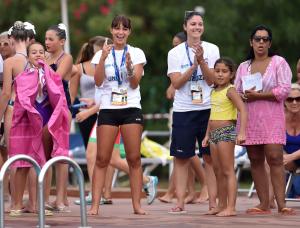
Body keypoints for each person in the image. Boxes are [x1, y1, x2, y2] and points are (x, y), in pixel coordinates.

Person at [88, 15, 148, 215]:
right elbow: (97, 82)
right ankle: (95, 205)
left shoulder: (136, 52)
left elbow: (134, 83)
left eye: (124, 28)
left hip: (131, 108)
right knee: (102, 158)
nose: (120, 32)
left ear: (129, 31)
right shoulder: (100, 55)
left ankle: (137, 206)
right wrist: (104, 57)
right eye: (116, 28)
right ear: (111, 30)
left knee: (133, 159)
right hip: (108, 109)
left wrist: (130, 68)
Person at [234, 24, 295, 215]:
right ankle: (263, 204)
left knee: (275, 158)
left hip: (272, 118)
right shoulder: (244, 67)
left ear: (270, 43)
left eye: (265, 39)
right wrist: (244, 96)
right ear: (251, 42)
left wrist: (259, 96)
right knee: (255, 159)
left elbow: (284, 90)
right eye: (257, 39)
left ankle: (282, 204)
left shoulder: (278, 62)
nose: (261, 42)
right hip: (250, 119)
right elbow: (236, 92)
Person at [167, 11, 220, 214]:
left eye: (200, 24)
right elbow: (177, 83)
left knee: (209, 157)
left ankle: (212, 202)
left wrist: (203, 62)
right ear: (185, 27)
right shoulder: (175, 53)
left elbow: (212, 81)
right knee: (181, 158)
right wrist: (193, 65)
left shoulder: (212, 49)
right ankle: (180, 201)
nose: (197, 27)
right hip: (184, 110)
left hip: (208, 108)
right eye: (193, 24)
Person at [8, 41, 69, 216]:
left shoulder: (52, 75)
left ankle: (40, 203)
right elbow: (22, 100)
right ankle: (17, 204)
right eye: (33, 52)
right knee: (23, 163)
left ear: (46, 55)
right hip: (28, 121)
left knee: (45, 162)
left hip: (47, 119)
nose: (38, 55)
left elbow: (60, 99)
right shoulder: (22, 77)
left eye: (41, 52)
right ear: (28, 56)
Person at [160, 31, 209, 204]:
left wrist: (198, 63)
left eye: (176, 44)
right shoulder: (175, 58)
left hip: (203, 107)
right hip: (182, 110)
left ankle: (204, 186)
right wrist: (191, 68)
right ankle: (187, 192)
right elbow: (171, 89)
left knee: (196, 154)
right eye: (173, 44)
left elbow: (211, 80)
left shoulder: (208, 51)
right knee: (182, 153)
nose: (174, 47)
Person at [202, 57, 247, 216]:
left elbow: (243, 109)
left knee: (228, 170)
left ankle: (231, 207)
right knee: (217, 171)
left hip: (226, 132)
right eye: (217, 71)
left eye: (224, 71)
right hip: (213, 134)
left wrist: (241, 132)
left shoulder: (230, 90)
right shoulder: (214, 91)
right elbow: (212, 115)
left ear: (231, 74)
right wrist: (207, 135)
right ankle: (221, 205)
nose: (220, 74)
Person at [0, 21, 36, 212]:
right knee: (31, 157)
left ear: (13, 40)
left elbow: (6, 93)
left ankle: (15, 203)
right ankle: (32, 202)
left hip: (14, 109)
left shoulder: (10, 62)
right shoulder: (35, 60)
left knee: (14, 158)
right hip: (32, 111)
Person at [44, 23, 73, 212]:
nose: (46, 42)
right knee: (46, 154)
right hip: (45, 108)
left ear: (61, 41)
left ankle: (61, 199)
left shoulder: (66, 58)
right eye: (45, 39)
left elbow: (55, 78)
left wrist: (39, 65)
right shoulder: (44, 57)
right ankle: (45, 197)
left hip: (61, 108)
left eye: (50, 39)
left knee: (60, 154)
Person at [70, 36, 108, 148]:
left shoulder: (109, 67)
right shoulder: (79, 68)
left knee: (106, 152)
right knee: (91, 151)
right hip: (86, 113)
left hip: (105, 110)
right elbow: (72, 95)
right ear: (96, 51)